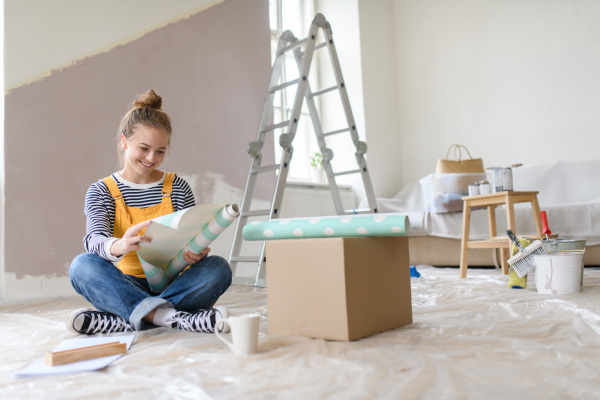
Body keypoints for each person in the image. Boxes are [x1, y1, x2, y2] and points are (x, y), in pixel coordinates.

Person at [68, 90, 232, 335]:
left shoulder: (178, 186)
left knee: (218, 268)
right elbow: (94, 240)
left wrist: (194, 252)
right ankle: (171, 317)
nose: (151, 158)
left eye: (160, 151)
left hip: (174, 282)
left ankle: (127, 319)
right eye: (143, 148)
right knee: (81, 266)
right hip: (125, 283)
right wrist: (120, 246)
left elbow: (188, 234)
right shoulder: (101, 191)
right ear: (124, 141)